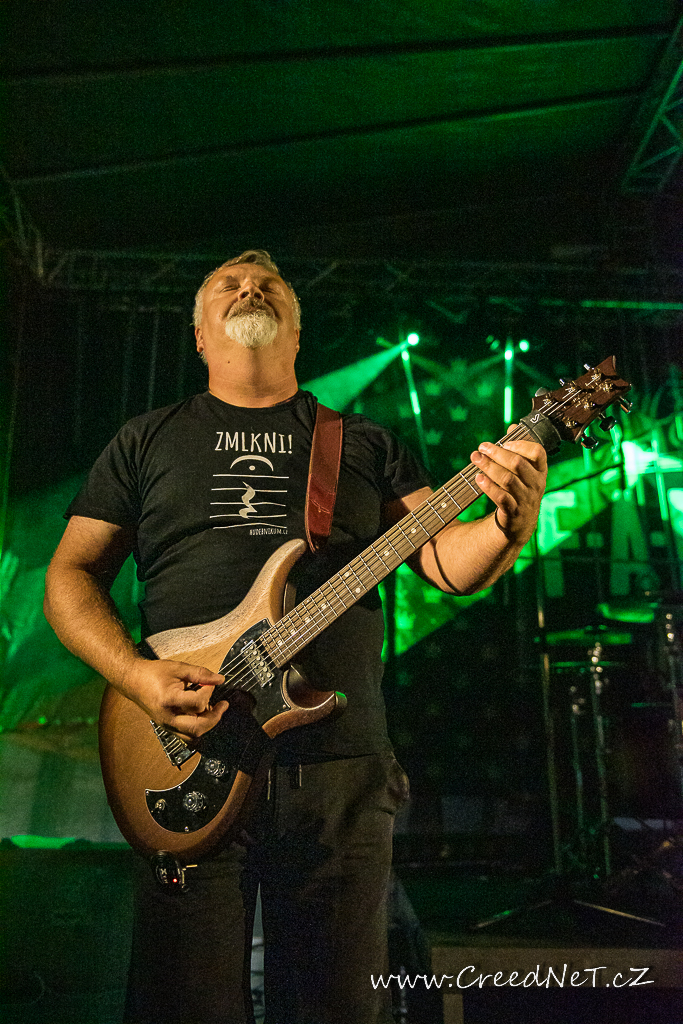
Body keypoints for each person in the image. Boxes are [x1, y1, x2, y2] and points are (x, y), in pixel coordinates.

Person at [43, 249, 547, 1024]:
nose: (249, 285)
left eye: (267, 284)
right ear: (199, 335)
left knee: (333, 1007)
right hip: (187, 756)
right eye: (228, 283)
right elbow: (70, 575)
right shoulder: (143, 439)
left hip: (339, 765)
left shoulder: (364, 443)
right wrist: (138, 677)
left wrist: (511, 522)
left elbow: (448, 562)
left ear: (298, 329)